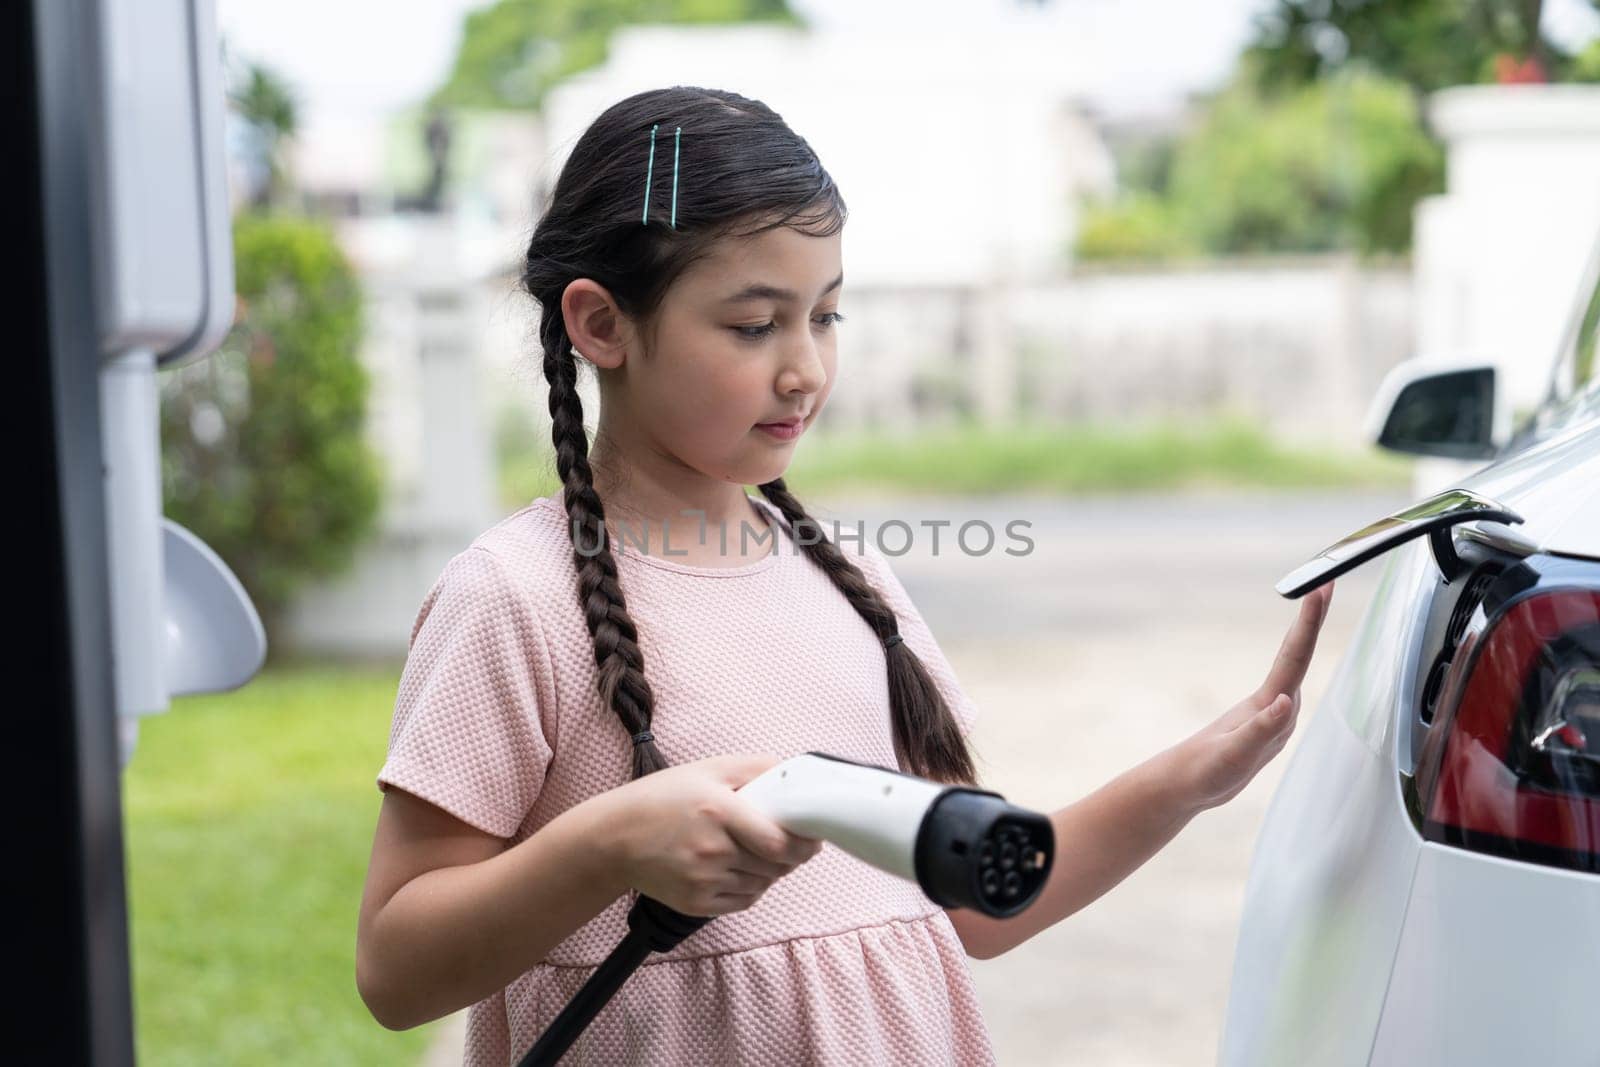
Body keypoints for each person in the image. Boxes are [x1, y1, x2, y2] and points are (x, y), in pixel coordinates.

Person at [353, 85, 1335, 1066]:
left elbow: (971, 912)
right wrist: (608, 844)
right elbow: (397, 969)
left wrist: (1189, 779)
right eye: (753, 326)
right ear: (601, 324)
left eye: (824, 317)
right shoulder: (515, 600)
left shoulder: (850, 583)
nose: (804, 369)